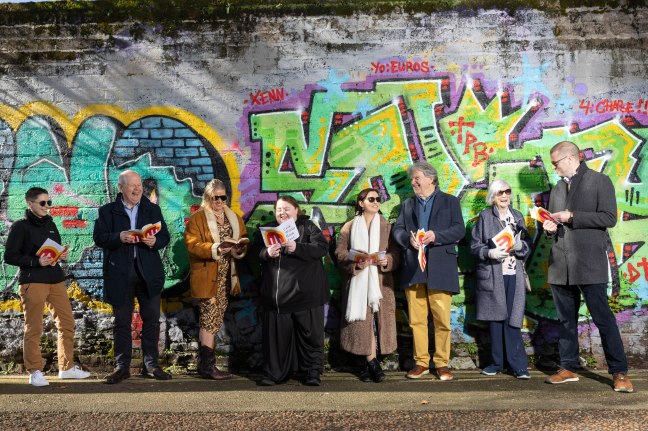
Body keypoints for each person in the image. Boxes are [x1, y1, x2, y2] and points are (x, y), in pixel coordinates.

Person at [542, 141, 633, 392]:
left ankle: (619, 372)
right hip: (561, 265)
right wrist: (549, 229)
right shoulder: (557, 189)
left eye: (556, 163)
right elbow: (554, 225)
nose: (554, 168)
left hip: (589, 263)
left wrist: (572, 216)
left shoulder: (599, 181)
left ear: (571, 158)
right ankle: (569, 367)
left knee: (603, 319)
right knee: (566, 321)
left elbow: (609, 218)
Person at [4, 187, 91, 387]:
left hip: (56, 281)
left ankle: (66, 368)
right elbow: (9, 256)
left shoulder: (50, 224)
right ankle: (34, 371)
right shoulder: (20, 227)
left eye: (49, 202)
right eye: (42, 203)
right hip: (33, 281)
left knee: (67, 323)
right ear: (30, 203)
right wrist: (36, 262)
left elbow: (54, 250)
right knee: (34, 328)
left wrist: (62, 256)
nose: (47, 206)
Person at [93, 170, 171, 384]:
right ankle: (122, 367)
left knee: (152, 321)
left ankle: (151, 365)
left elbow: (165, 236)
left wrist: (155, 242)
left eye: (139, 185)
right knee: (122, 322)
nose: (137, 189)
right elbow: (99, 238)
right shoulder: (107, 211)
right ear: (121, 188)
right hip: (120, 274)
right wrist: (119, 237)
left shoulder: (152, 209)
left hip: (148, 274)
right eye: (132, 185)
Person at [392, 161, 465, 381]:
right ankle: (421, 362)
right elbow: (397, 230)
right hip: (414, 267)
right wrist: (408, 240)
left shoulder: (450, 201)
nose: (413, 182)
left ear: (431, 179)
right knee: (416, 320)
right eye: (412, 179)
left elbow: (459, 230)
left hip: (441, 267)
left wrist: (436, 236)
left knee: (442, 320)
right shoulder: (407, 205)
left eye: (416, 178)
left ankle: (442, 363)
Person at [255, 196, 330, 386]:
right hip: (278, 298)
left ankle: (312, 372)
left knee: (310, 337)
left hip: (307, 295)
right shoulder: (267, 231)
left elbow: (321, 248)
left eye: (287, 209)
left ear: (297, 210)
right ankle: (275, 373)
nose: (282, 213)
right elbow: (254, 253)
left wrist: (298, 247)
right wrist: (266, 253)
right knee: (277, 340)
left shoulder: (309, 227)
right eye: (279, 209)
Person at [184, 179, 248, 380]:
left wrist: (240, 247)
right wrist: (216, 249)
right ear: (207, 198)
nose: (219, 201)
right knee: (208, 320)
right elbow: (192, 245)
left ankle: (206, 366)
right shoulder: (198, 219)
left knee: (215, 320)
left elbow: (243, 237)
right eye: (215, 198)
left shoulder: (233, 217)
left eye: (222, 197)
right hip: (208, 276)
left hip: (226, 278)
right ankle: (207, 366)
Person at [335, 188, 400, 383]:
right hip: (357, 281)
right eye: (371, 199)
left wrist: (387, 260)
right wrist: (355, 262)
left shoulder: (387, 227)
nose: (376, 202)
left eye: (378, 199)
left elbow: (396, 253)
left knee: (374, 322)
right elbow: (340, 253)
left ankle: (367, 364)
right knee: (361, 324)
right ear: (361, 203)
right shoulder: (349, 227)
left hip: (380, 283)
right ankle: (370, 364)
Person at [470, 180, 531, 379]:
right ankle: (496, 363)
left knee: (513, 319)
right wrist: (489, 253)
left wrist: (521, 247)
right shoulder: (485, 217)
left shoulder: (518, 216)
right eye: (499, 193)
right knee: (495, 319)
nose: (504, 196)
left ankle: (518, 366)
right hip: (493, 275)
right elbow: (474, 247)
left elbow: (527, 245)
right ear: (493, 196)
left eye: (507, 192)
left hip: (514, 274)